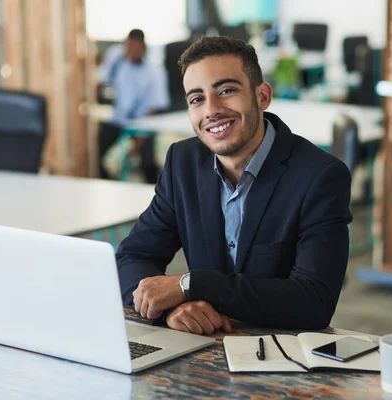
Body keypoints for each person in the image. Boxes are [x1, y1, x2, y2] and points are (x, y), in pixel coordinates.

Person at [116, 36, 352, 334]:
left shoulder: (319, 176)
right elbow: (132, 258)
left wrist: (191, 285)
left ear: (262, 96)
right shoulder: (183, 162)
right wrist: (174, 309)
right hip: (201, 349)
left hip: (281, 356)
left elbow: (314, 301)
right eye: (197, 99)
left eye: (226, 90)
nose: (211, 110)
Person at [98, 29, 170, 183]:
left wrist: (138, 142)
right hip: (118, 119)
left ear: (143, 48)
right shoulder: (117, 62)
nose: (131, 52)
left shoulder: (154, 72)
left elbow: (154, 107)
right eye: (129, 47)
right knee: (96, 154)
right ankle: (109, 183)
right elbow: (101, 81)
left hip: (143, 123)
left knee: (147, 163)